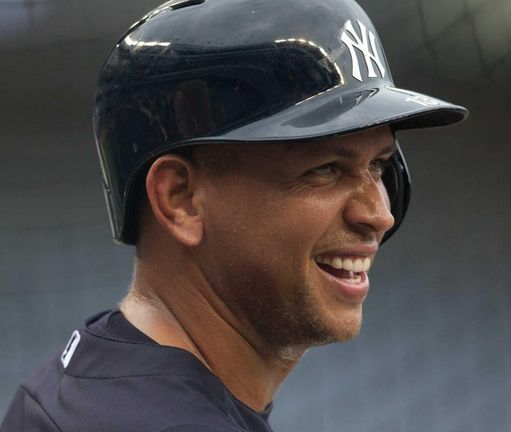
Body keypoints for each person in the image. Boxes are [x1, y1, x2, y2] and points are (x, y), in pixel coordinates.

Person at [0, 0, 467, 430]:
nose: (378, 213)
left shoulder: (93, 378)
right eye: (325, 169)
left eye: (379, 165)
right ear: (180, 199)